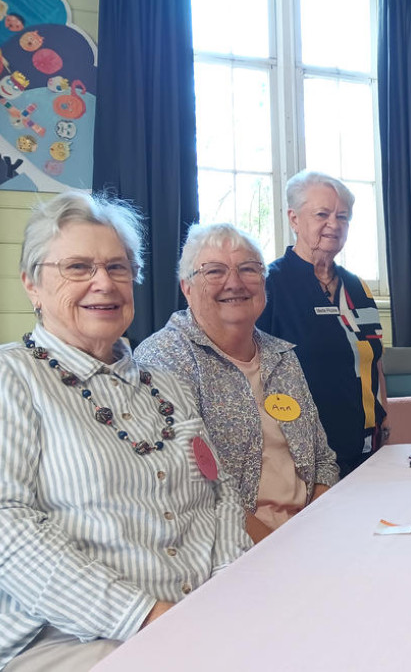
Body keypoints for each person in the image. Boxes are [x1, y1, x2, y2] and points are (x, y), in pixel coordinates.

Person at [0, 192, 250, 670]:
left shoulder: (167, 387)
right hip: (69, 639)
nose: (104, 284)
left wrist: (227, 595)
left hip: (201, 617)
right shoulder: (12, 378)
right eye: (78, 267)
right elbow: (6, 530)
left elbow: (222, 499)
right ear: (32, 284)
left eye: (118, 268)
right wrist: (149, 617)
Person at [136, 223, 340, 544]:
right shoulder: (163, 359)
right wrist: (278, 548)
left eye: (248, 269)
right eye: (214, 271)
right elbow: (195, 491)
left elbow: (323, 460)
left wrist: (313, 529)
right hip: (230, 551)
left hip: (309, 533)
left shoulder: (282, 356)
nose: (234, 282)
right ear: (186, 287)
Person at [256, 170, 387, 477]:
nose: (334, 224)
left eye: (342, 216)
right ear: (294, 219)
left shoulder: (358, 288)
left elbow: (375, 362)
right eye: (322, 214)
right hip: (303, 455)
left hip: (367, 446)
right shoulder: (270, 285)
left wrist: (385, 417)